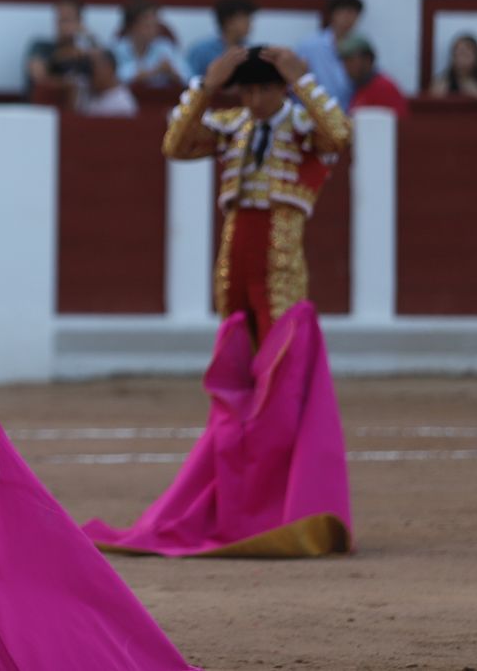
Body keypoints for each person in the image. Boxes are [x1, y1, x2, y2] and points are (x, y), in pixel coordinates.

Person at [84, 44, 352, 558]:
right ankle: (242, 488)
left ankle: (279, 495)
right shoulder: (231, 125)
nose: (252, 98)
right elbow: (175, 144)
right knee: (238, 370)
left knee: (280, 369)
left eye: (262, 89)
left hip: (280, 256)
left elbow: (340, 133)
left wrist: (305, 78)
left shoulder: (302, 125)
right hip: (235, 253)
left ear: (280, 89)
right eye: (246, 89)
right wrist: (206, 85)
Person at [295, 0, 361, 110]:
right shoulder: (309, 46)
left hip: (347, 113)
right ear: (333, 14)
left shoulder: (361, 47)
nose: (348, 18)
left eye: (353, 14)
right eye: (344, 12)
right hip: (313, 113)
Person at [114, 0, 186, 87]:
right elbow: (115, 77)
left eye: (155, 25)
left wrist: (172, 73)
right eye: (147, 25)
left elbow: (187, 77)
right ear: (131, 27)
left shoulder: (165, 46)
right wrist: (155, 70)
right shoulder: (116, 49)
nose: (154, 30)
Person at [337, 34, 408, 117]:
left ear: (368, 60)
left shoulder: (383, 88)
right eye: (344, 61)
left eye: (351, 60)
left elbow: (400, 124)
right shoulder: (359, 87)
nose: (346, 66)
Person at [186, 0, 255, 77]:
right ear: (229, 22)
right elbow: (188, 81)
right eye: (245, 19)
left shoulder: (250, 51)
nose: (249, 24)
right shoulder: (201, 51)